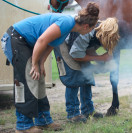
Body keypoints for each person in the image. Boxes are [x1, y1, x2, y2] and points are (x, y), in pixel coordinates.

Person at [1, 2, 99, 133]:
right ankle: (23, 126)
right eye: (92, 29)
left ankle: (43, 120)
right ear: (86, 26)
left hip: (24, 43)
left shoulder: (69, 26)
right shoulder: (66, 22)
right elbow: (42, 40)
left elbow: (51, 44)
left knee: (39, 79)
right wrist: (35, 64)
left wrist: (41, 63)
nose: (91, 31)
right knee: (28, 79)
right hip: (15, 40)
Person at [54, 17, 120, 122]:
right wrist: (101, 58)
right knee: (74, 77)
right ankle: (73, 114)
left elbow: (88, 49)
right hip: (63, 44)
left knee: (87, 74)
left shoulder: (97, 33)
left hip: (76, 47)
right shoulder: (87, 33)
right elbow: (76, 54)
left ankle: (87, 110)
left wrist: (101, 64)